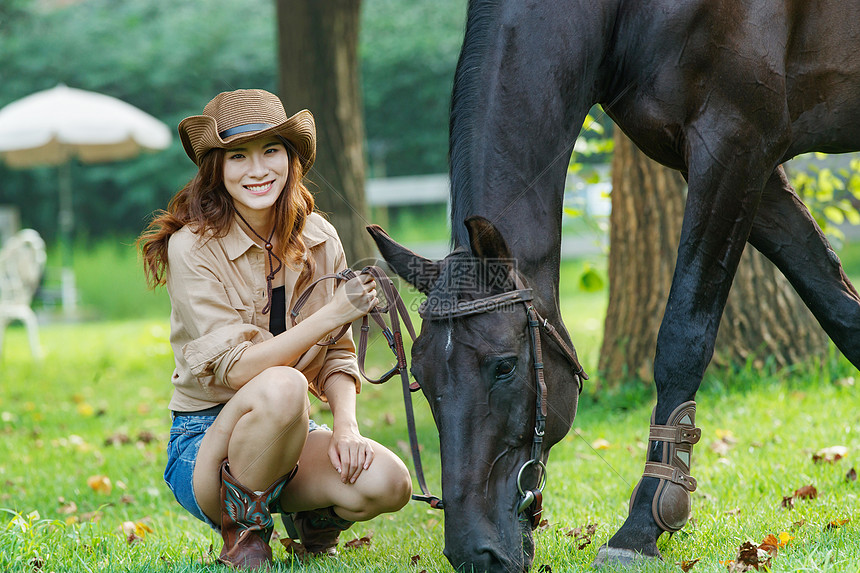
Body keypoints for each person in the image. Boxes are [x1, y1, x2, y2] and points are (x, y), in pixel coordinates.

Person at [138, 89, 412, 569]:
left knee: (389, 483)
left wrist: (346, 428)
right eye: (238, 156)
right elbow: (241, 371)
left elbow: (339, 355)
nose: (257, 169)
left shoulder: (321, 239)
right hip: (205, 445)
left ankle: (312, 519)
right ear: (217, 169)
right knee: (283, 384)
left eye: (271, 151)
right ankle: (243, 533)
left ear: (291, 159)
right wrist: (333, 313)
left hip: (291, 433)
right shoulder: (192, 249)